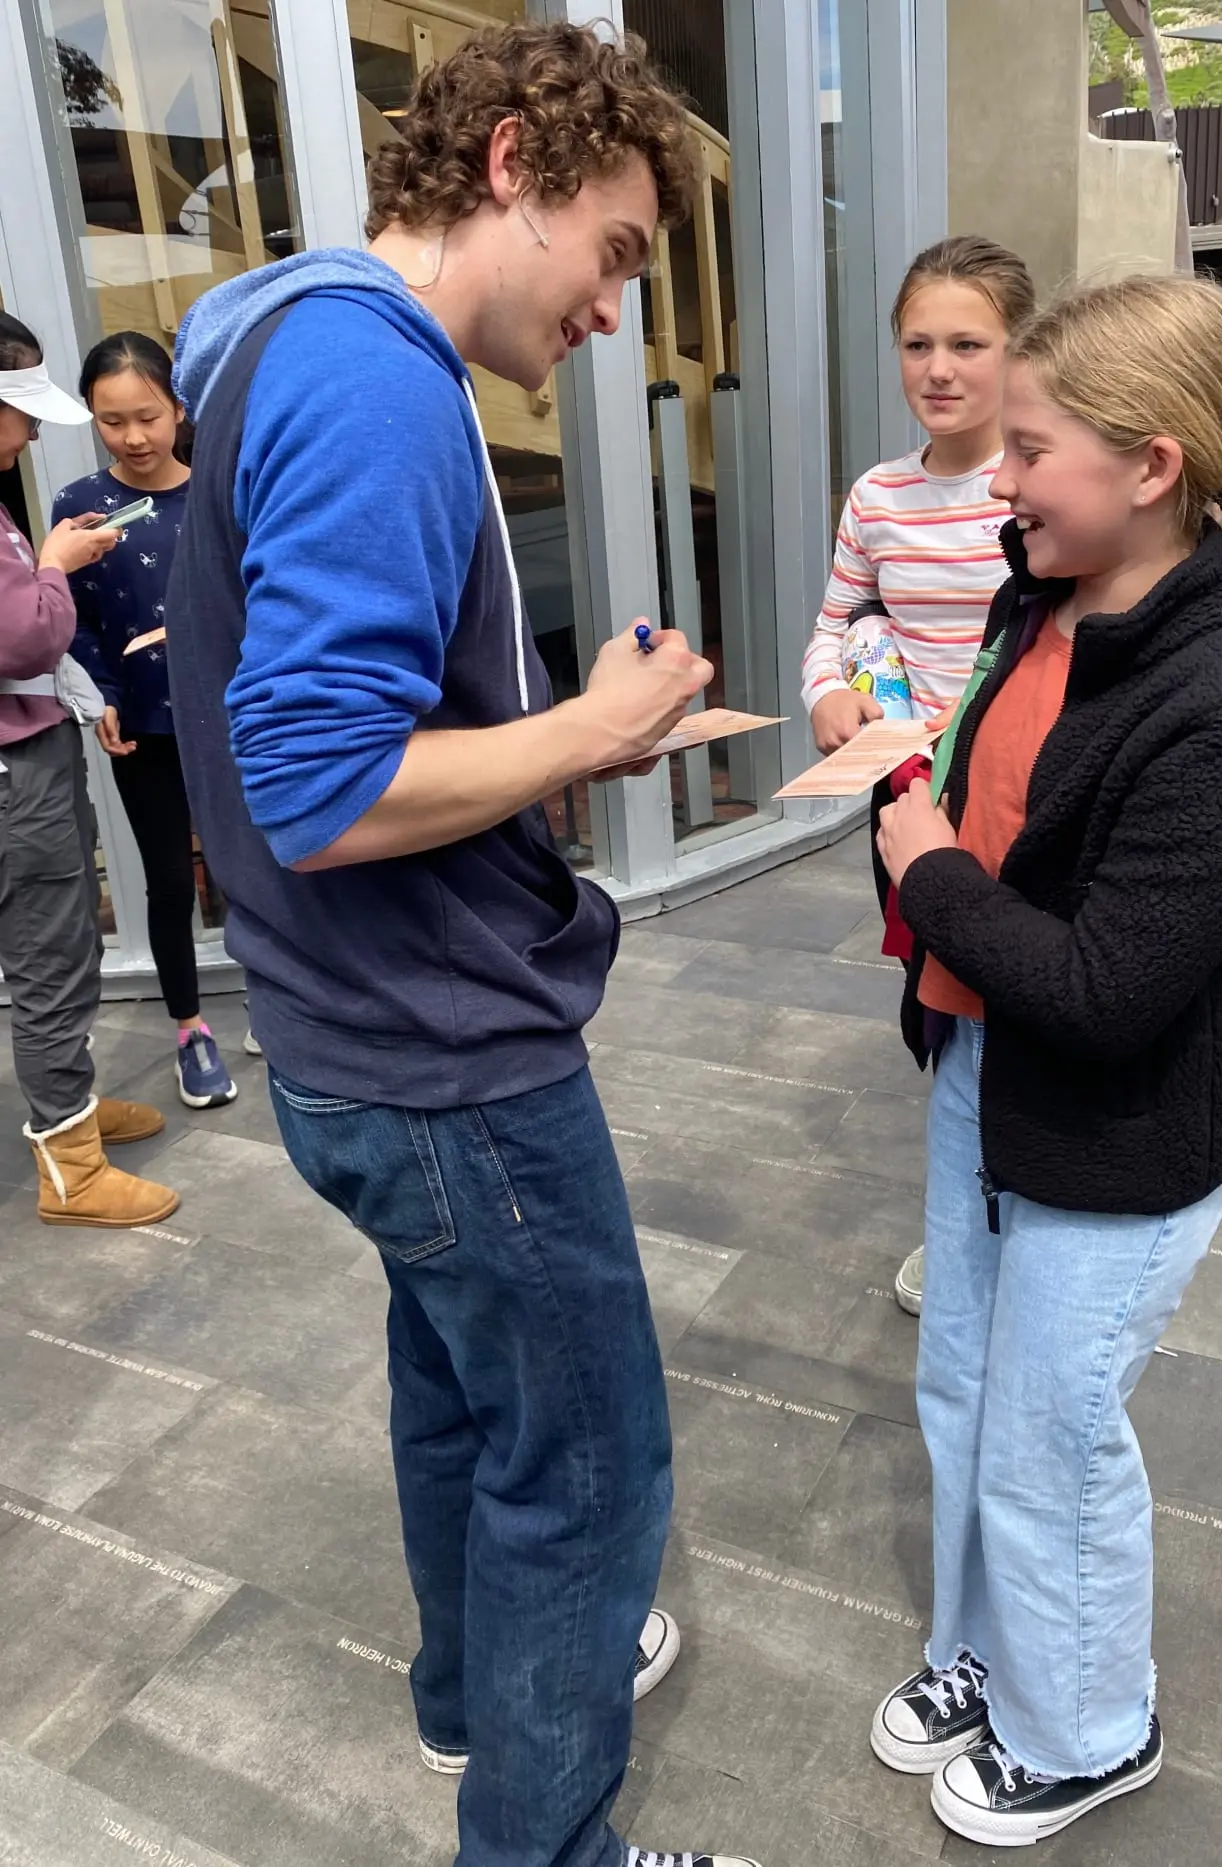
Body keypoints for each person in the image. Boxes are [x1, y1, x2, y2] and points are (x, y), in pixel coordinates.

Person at [163, 23, 757, 1867]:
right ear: (515, 164)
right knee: (586, 1471)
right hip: (444, 1054)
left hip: (349, 1037)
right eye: (621, 254)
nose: (613, 306)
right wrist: (593, 732)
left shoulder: (276, 328)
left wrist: (558, 727)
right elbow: (328, 786)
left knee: (459, 1390)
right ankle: (547, 1839)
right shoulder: (376, 381)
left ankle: (466, 1698)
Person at [870, 275, 1222, 1848]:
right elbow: (998, 809)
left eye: (1032, 447)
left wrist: (921, 863)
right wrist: (911, 780)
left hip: (1116, 1129)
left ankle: (1087, 1729)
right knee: (967, 1389)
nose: (997, 479)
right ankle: (984, 1649)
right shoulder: (1039, 592)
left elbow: (1111, 990)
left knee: (1055, 1434)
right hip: (983, 1077)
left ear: (1149, 467)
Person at [801, 233, 1035, 1317]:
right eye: (915, 342)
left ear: (1018, 349)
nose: (938, 368)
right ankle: (967, 1211)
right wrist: (828, 699)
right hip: (905, 797)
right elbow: (837, 623)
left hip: (1023, 800)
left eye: (967, 343)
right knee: (934, 1011)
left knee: (1022, 1002)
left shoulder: (1038, 485)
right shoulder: (878, 496)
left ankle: (1012, 1216)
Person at [0, 311, 179, 1227]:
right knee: (45, 956)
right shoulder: (59, 507)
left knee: (61, 945)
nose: (31, 430)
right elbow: (23, 631)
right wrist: (61, 564)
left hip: (32, 754)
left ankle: (65, 1109)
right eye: (18, 409)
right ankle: (68, 1162)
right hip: (13, 774)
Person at [53, 332, 238, 1110]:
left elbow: (254, 598)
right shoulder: (77, 507)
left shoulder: (223, 494)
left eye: (148, 416)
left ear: (179, 408)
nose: (133, 437)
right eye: (111, 420)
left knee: (256, 865)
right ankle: (191, 1030)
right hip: (144, 727)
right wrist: (103, 693)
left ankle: (284, 998)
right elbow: (77, 619)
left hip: (235, 712)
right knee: (169, 880)